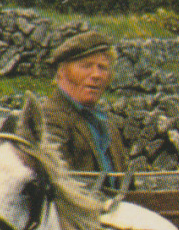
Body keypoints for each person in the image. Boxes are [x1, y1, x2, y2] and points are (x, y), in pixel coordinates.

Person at [42, 30, 129, 175]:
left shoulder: (107, 125)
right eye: (86, 66)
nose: (96, 75)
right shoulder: (49, 119)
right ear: (61, 72)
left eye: (102, 67)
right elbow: (59, 183)